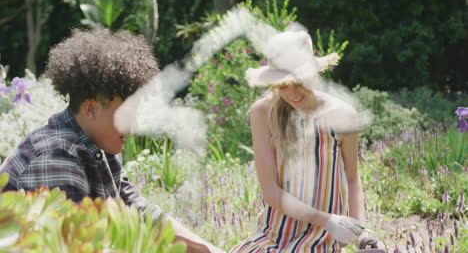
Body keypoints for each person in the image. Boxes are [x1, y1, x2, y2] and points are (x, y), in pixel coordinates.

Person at [0, 29, 223, 253]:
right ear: (91, 108)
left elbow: (139, 211)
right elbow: (78, 245)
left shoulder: (97, 143)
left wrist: (209, 249)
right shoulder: (57, 157)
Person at [230, 31, 384, 252]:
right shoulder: (262, 113)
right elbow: (271, 192)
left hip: (320, 242)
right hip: (273, 236)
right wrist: (327, 219)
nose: (292, 93)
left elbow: (351, 179)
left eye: (299, 82)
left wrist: (363, 235)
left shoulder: (343, 115)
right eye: (282, 85)